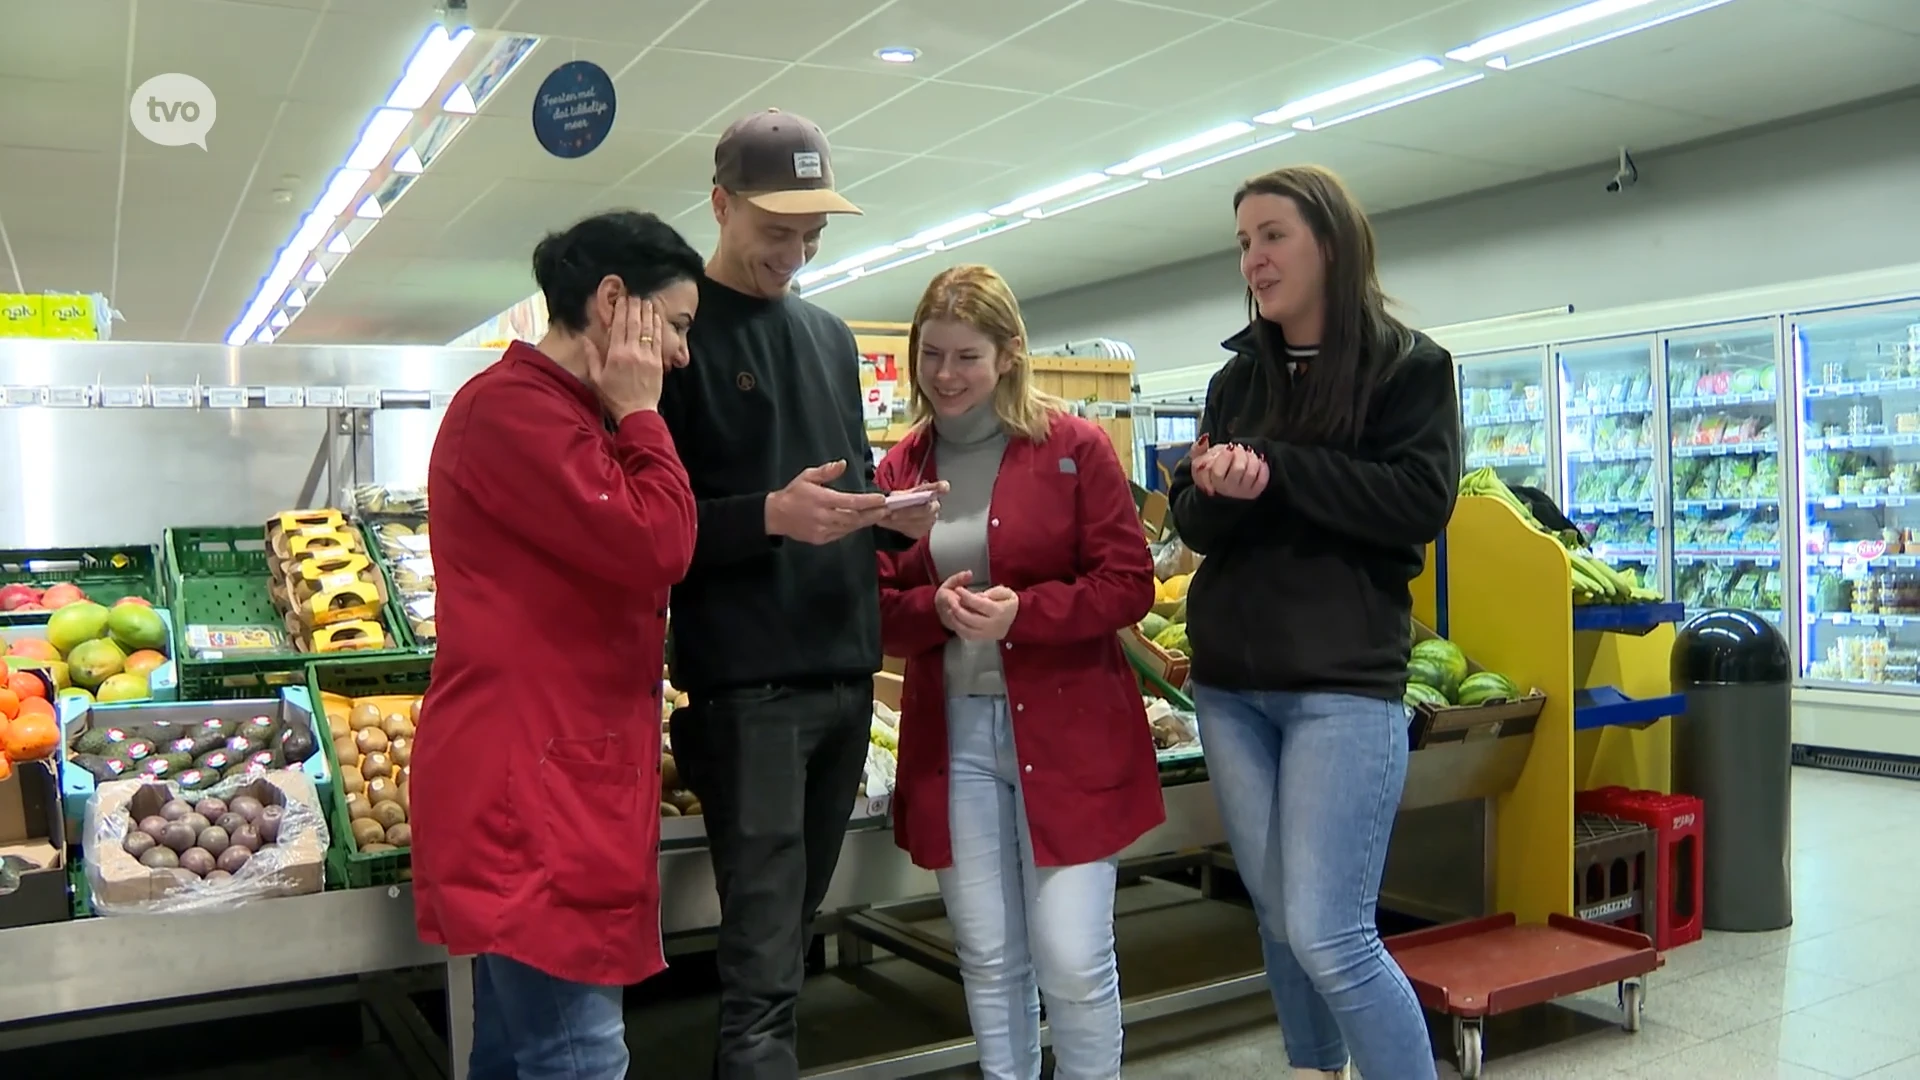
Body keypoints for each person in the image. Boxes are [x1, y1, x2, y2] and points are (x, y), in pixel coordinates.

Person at [657, 108, 943, 1080]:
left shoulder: (825, 336)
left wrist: (885, 515)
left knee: (797, 944)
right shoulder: (672, 335)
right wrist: (767, 518)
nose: (796, 250)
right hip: (752, 695)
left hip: (845, 677)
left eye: (812, 234)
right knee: (765, 973)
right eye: (777, 231)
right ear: (720, 204)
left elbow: (838, 480)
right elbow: (645, 527)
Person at [1168, 165, 1461, 1080]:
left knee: (1331, 932)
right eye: (1244, 242)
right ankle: (1313, 1068)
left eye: (1273, 235)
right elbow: (1197, 526)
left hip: (1342, 684)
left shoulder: (1410, 369)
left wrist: (1279, 470)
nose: (1254, 258)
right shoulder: (1236, 378)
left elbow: (1418, 501)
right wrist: (1210, 487)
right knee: (1279, 918)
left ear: (1328, 240)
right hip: (1230, 686)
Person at [411, 210, 704, 1079]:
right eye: (677, 325)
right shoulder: (513, 413)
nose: (682, 354)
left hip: (556, 784)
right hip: (529, 802)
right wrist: (644, 413)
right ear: (614, 301)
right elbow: (660, 543)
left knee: (516, 1053)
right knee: (576, 1058)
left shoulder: (569, 414)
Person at [875, 265, 1163, 1080]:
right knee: (990, 955)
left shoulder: (1073, 449)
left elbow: (1128, 584)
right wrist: (930, 611)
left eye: (966, 355)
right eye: (931, 354)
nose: (945, 375)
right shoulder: (899, 471)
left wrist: (1023, 617)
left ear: (1009, 354)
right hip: (952, 735)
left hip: (1071, 735)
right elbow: (876, 606)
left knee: (1072, 956)